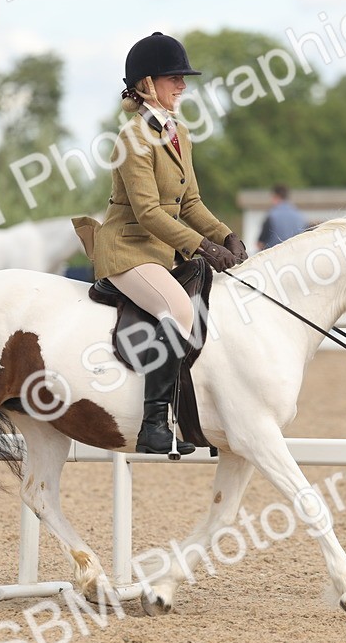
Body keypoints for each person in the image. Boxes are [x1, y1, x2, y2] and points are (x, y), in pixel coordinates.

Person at [92, 32, 247, 456]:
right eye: (173, 77)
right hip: (127, 248)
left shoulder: (179, 133)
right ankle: (154, 423)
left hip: (160, 251)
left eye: (182, 77)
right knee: (179, 309)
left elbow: (190, 202)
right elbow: (148, 213)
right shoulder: (132, 138)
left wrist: (227, 236)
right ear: (147, 84)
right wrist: (204, 248)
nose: (182, 85)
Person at [257, 185, 308, 251]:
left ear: (275, 196)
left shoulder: (271, 216)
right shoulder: (300, 216)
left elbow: (260, 243)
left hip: (275, 257)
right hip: (296, 256)